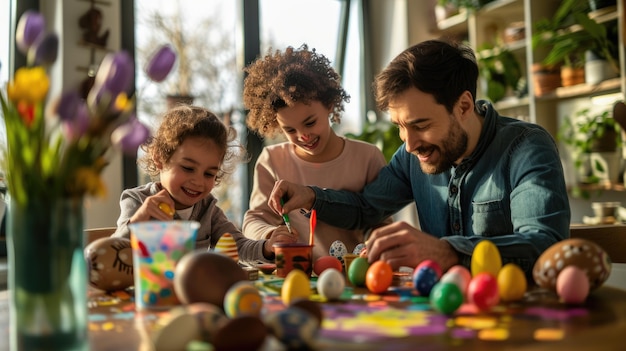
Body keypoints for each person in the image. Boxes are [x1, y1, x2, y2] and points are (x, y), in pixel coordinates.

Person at [268, 39, 571, 277]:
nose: (409, 144)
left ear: (464, 106)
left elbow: (546, 245)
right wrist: (310, 196)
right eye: (400, 127)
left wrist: (446, 252)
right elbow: (366, 209)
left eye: (421, 125)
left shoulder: (526, 148)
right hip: (441, 317)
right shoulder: (413, 156)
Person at [241, 44, 389, 262]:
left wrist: (375, 243)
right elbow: (254, 220)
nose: (303, 136)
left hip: (355, 278)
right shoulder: (271, 160)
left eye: (310, 122)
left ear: (329, 104)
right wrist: (270, 234)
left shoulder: (368, 157)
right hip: (297, 277)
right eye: (289, 130)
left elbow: (382, 221)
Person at [112, 105, 272, 263]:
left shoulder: (208, 209)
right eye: (188, 168)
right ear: (159, 158)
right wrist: (140, 219)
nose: (198, 181)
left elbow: (239, 246)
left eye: (209, 174)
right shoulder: (137, 200)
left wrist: (268, 247)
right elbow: (113, 251)